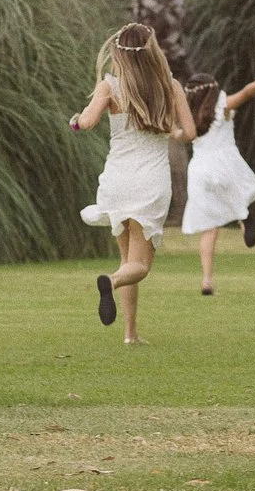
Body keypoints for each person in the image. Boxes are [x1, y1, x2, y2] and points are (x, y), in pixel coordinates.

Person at [68, 23, 196, 345]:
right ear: (153, 52)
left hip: (117, 180)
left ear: (118, 54)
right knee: (139, 266)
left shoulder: (109, 87)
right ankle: (109, 283)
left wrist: (76, 120)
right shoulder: (171, 86)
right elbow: (189, 133)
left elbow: (86, 122)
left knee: (128, 260)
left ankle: (130, 334)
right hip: (149, 183)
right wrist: (171, 133)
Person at [179, 68, 255, 294]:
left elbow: (179, 133)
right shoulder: (221, 106)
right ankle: (244, 218)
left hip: (199, 170)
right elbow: (246, 93)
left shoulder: (188, 113)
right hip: (224, 163)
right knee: (240, 194)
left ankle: (206, 280)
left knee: (209, 227)